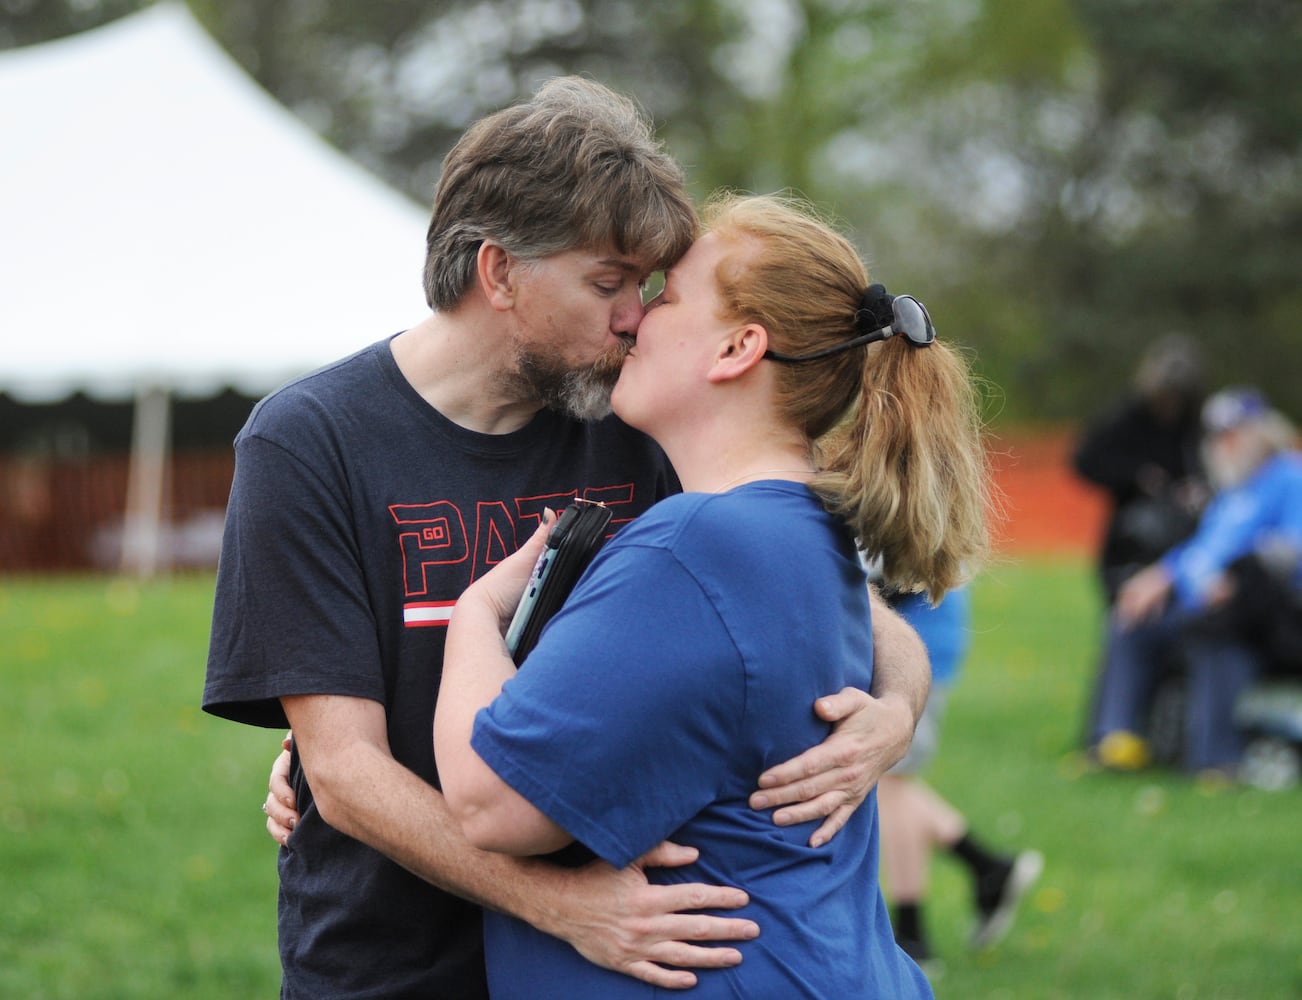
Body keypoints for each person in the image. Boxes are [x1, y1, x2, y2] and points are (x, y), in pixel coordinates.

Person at [205, 78, 932, 998]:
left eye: (646, 286)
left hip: (616, 957)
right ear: (500, 273)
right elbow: (344, 771)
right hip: (389, 963)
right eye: (608, 283)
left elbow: (845, 608)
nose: (635, 315)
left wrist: (894, 713)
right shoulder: (307, 444)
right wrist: (558, 905)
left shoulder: (639, 423)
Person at [433, 192, 993, 997]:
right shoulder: (796, 527)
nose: (635, 317)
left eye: (668, 294)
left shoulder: (693, 546)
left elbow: (492, 807)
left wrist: (472, 617)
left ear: (737, 347)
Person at [1091, 386, 1302, 776]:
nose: (1225, 443)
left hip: (1265, 613)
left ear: (1262, 432)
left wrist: (1239, 578)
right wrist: (1159, 575)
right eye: (1218, 435)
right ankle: (1116, 739)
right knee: (1132, 620)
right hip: (1199, 603)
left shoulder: (1290, 475)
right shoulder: (1233, 491)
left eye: (1234, 433)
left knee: (1213, 629)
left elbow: (1292, 547)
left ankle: (1217, 759)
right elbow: (1201, 549)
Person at [875, 587, 1043, 966]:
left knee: (889, 784)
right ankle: (987, 868)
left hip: (908, 649)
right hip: (914, 640)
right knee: (891, 784)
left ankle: (914, 938)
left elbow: (894, 572)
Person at [1072, 333, 1209, 605]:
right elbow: (1085, 461)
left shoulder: (1195, 424)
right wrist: (1137, 475)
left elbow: (1209, 468)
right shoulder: (1127, 419)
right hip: (1130, 537)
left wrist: (1197, 486)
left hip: (1182, 536)